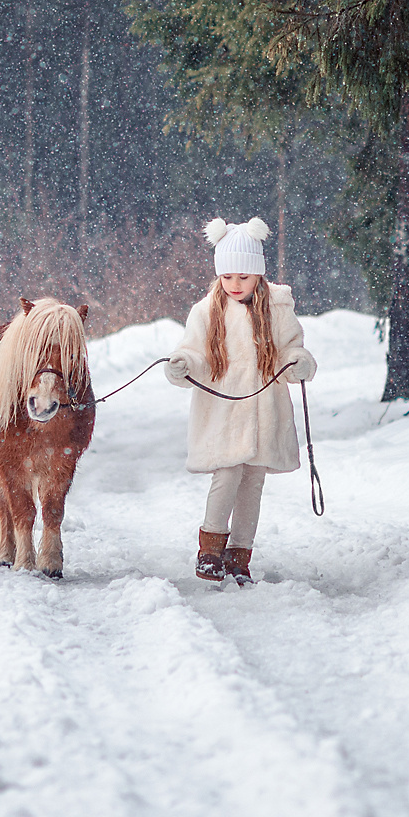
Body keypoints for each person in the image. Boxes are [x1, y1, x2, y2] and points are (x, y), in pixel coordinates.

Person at [164, 217, 317, 585]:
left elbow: (290, 349)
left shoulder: (277, 308)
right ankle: (210, 551)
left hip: (265, 412)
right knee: (227, 473)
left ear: (259, 276)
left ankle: (239, 556)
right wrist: (183, 364)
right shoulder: (205, 312)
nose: (235, 284)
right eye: (228, 276)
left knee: (253, 480)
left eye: (243, 277)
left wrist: (297, 364)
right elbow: (195, 353)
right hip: (223, 412)